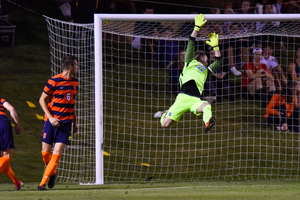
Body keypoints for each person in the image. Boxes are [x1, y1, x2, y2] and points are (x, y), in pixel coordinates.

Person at [154, 14, 221, 132]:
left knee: (207, 106)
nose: (207, 61)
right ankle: (165, 113)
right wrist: (196, 28)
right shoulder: (190, 62)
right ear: (200, 59)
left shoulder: (206, 71)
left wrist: (216, 47)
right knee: (165, 125)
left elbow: (218, 62)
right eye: (206, 59)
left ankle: (208, 123)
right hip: (183, 98)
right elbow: (191, 43)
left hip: (196, 99)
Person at [37, 55, 79, 190]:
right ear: (71, 67)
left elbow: (72, 104)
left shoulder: (75, 83)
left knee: (57, 153)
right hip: (50, 122)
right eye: (77, 65)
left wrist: (75, 123)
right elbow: (42, 99)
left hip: (66, 124)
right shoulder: (54, 81)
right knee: (45, 154)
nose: (78, 68)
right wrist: (50, 117)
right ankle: (53, 173)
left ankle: (42, 184)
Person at [0, 97, 23, 190]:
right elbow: (11, 109)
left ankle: (17, 182)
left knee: (2, 159)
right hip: (2, 122)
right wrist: (17, 124)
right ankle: (17, 182)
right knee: (7, 156)